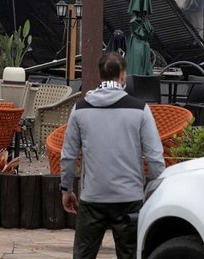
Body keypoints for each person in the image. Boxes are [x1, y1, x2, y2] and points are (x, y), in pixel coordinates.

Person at [61, 52, 165, 259]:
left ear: (100, 76)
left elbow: (69, 155)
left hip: (92, 197)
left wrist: (66, 188)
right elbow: (155, 157)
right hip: (130, 198)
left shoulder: (80, 109)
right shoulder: (140, 110)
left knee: (83, 254)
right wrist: (157, 191)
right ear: (123, 75)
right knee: (130, 254)